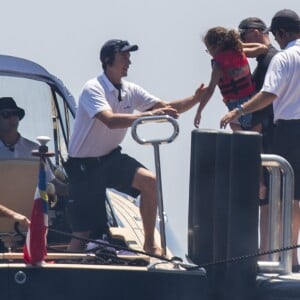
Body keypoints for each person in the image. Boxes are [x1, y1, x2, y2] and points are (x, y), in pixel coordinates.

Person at [65, 39, 205, 255]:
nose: (129, 61)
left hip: (110, 159)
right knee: (82, 235)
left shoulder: (131, 89)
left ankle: (150, 244)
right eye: (124, 56)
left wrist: (196, 99)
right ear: (107, 60)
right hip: (83, 167)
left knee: (150, 182)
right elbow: (109, 120)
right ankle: (66, 276)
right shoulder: (93, 88)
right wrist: (146, 115)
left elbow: (166, 109)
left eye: (129, 56)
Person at [220, 9, 300, 269]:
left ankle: (269, 255)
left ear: (279, 34)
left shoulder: (281, 58)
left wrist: (239, 111)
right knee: (295, 197)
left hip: (285, 130)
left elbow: (269, 95)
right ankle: (292, 258)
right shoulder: (273, 55)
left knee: (274, 194)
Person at [238, 17, 279, 256]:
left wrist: (247, 135)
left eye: (243, 39)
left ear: (254, 33)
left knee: (266, 200)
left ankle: (265, 255)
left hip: (266, 140)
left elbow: (263, 111)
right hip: (271, 137)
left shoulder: (269, 61)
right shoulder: (267, 60)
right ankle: (267, 254)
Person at [194, 26, 268, 131]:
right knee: (255, 134)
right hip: (253, 102)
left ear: (215, 47)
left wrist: (199, 111)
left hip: (235, 106)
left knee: (234, 126)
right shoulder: (240, 52)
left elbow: (210, 89)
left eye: (208, 50)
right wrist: (242, 45)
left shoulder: (218, 65)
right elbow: (263, 48)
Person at [0, 97, 68, 196]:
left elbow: (51, 183)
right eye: (6, 114)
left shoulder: (34, 149)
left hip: (29, 210)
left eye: (15, 113)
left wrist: (77, 189)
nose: (12, 118)